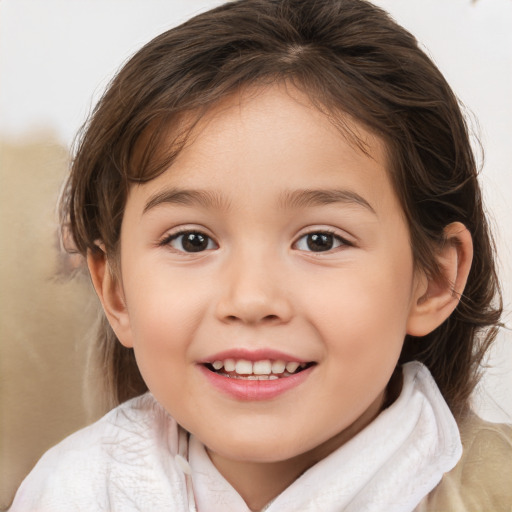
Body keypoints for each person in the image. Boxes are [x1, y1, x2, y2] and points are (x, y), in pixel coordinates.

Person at [9, 0, 511, 510]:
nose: (250, 299)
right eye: (192, 240)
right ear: (115, 292)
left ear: (432, 279)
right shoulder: (69, 492)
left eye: (320, 240)